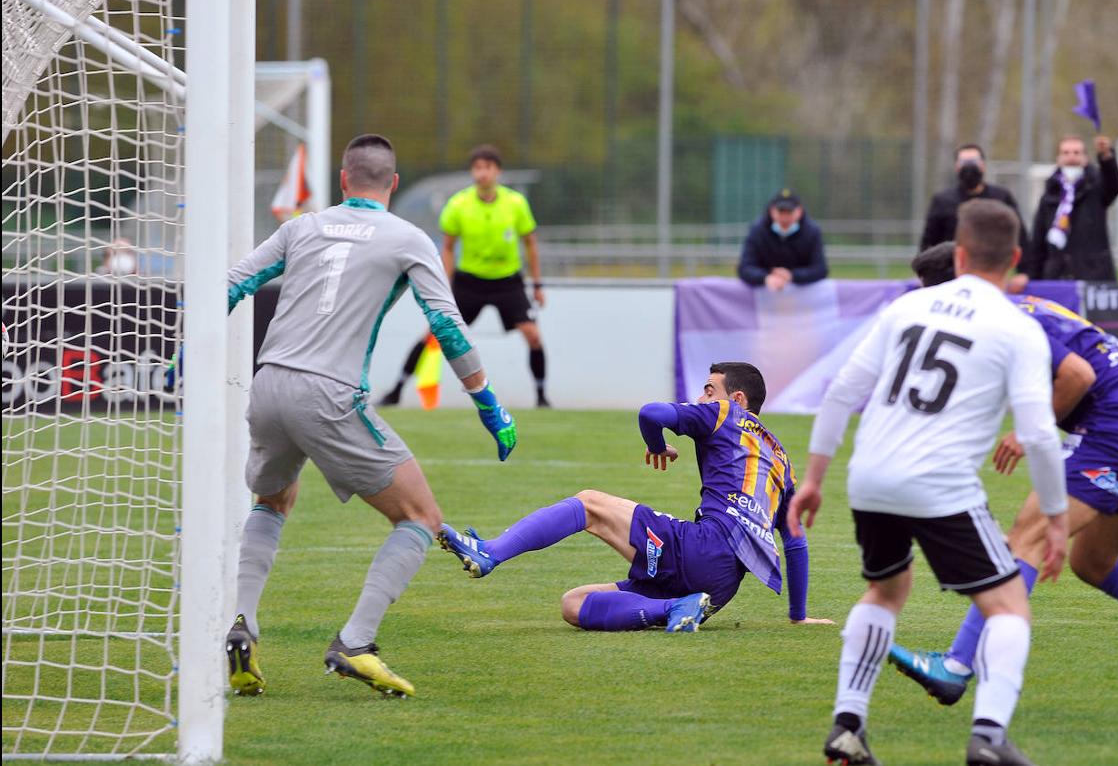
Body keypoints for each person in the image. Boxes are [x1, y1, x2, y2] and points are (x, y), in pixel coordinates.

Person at [221, 134, 518, 699]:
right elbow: (448, 326)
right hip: (329, 394)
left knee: (273, 499)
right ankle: (355, 642)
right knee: (420, 517)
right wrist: (489, 404)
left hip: (268, 384)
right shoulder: (408, 238)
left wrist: (188, 347)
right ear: (395, 184)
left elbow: (233, 284)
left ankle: (243, 623)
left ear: (343, 180)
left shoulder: (303, 226)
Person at [889, 241, 1118, 715]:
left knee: (1026, 538)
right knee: (1093, 562)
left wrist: (1028, 433)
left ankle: (956, 666)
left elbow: (1076, 376)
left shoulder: (998, 318)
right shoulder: (1017, 307)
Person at [793, 200, 1069, 766]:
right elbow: (1040, 435)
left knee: (886, 591)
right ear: (1016, 259)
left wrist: (814, 477)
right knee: (1009, 607)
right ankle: (988, 737)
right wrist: (1058, 518)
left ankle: (848, 726)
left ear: (959, 253)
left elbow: (842, 389)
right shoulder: (1018, 328)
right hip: (939, 482)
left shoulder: (906, 308)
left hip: (870, 476)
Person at [438, 362, 831, 632]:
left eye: (709, 389)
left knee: (589, 503)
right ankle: (675, 607)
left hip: (703, 548)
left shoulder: (724, 413)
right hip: (722, 587)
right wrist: (798, 616)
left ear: (738, 399)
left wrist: (657, 445)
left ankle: (489, 552)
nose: (701, 397)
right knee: (573, 604)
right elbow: (795, 541)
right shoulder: (782, 461)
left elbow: (650, 413)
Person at [437, 143, 551, 407]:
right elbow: (448, 248)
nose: (482, 174)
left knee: (533, 335)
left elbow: (530, 243)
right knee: (434, 333)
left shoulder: (515, 202)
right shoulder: (458, 204)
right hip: (469, 282)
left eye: (487, 167)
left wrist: (537, 284)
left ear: (497, 171)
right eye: (477, 168)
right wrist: (445, 286)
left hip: (507, 282)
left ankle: (542, 395)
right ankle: (397, 388)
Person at [1015, 135, 1118, 288]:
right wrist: (1029, 275)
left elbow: (1115, 185)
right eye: (1066, 153)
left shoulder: (1096, 187)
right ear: (1059, 158)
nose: (1071, 157)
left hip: (1093, 276)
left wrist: (1106, 157)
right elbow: (1039, 240)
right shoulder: (1050, 194)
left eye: (1076, 152)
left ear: (1085, 157)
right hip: (1056, 278)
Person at [919, 143, 1028, 254]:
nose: (969, 167)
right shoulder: (942, 201)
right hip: (951, 267)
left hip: (991, 267)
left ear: (983, 165)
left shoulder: (1001, 197)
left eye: (974, 162)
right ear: (957, 167)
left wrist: (1025, 270)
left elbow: (1020, 236)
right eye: (964, 162)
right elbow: (929, 242)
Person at [737, 188, 827, 290]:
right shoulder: (757, 231)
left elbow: (820, 269)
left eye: (789, 212)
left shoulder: (812, 232)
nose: (785, 217)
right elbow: (745, 268)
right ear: (772, 211)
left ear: (799, 211)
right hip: (764, 298)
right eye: (781, 211)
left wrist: (792, 276)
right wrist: (766, 278)